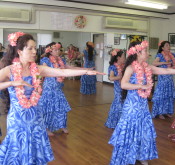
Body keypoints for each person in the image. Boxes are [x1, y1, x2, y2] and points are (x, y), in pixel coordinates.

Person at [0, 32, 104, 164]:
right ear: (19, 51)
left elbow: (62, 72)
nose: (34, 52)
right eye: (30, 48)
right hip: (18, 119)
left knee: (35, 148)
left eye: (35, 48)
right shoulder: (9, 70)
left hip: (36, 117)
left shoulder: (38, 69)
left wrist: (85, 71)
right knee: (18, 149)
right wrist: (12, 83)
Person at [108, 40, 175, 165]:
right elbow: (123, 84)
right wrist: (140, 86)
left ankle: (141, 154)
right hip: (132, 106)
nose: (148, 53)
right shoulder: (131, 67)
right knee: (131, 129)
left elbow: (165, 71)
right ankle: (127, 156)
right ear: (137, 52)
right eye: (145, 51)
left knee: (143, 130)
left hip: (143, 106)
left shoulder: (146, 67)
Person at [151, 41, 175, 119]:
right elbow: (154, 63)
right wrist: (164, 62)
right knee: (162, 95)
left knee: (169, 95)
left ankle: (167, 111)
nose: (168, 47)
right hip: (162, 78)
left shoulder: (172, 55)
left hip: (169, 79)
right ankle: (159, 113)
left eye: (169, 45)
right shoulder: (160, 55)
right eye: (166, 45)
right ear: (162, 48)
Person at [105, 49, 125, 129]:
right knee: (118, 103)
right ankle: (114, 122)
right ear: (118, 58)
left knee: (122, 103)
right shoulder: (113, 67)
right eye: (123, 56)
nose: (125, 58)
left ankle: (121, 123)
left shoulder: (124, 66)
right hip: (118, 89)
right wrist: (119, 77)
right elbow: (111, 78)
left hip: (125, 88)